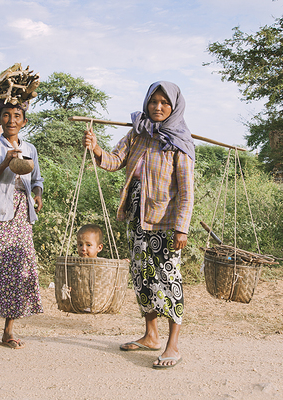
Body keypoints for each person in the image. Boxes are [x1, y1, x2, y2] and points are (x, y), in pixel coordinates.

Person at [83, 81, 195, 369]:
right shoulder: (137, 133)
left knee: (168, 279)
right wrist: (96, 148)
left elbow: (186, 191)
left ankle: (172, 344)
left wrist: (182, 227)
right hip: (137, 218)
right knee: (142, 277)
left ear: (174, 107)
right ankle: (151, 335)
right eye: (153, 102)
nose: (157, 107)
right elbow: (114, 160)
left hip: (166, 224)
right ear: (146, 103)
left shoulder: (179, 142)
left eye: (164, 103)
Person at [0, 99, 44, 351]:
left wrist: (37, 194)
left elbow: (37, 178)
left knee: (18, 272)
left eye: (16, 116)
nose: (11, 120)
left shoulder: (30, 148)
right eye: (6, 115)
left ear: (24, 121)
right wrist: (4, 163)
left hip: (22, 216)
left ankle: (9, 331)